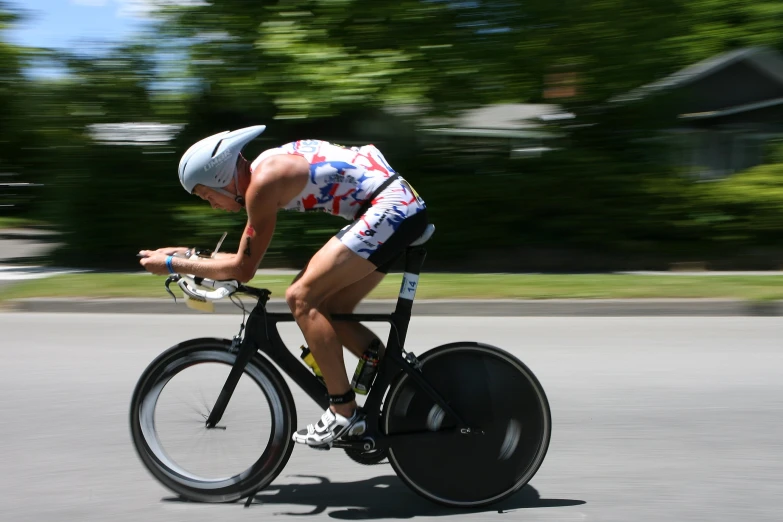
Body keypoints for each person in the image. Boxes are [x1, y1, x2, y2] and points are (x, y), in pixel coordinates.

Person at [139, 125, 428, 448]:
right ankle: (389, 372)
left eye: (208, 195)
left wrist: (172, 264)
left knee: (301, 297)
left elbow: (242, 269)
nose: (212, 205)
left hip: (390, 208)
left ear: (221, 178)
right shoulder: (265, 166)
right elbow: (240, 259)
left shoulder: (263, 183)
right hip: (393, 206)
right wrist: (185, 254)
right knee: (329, 307)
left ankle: (344, 412)